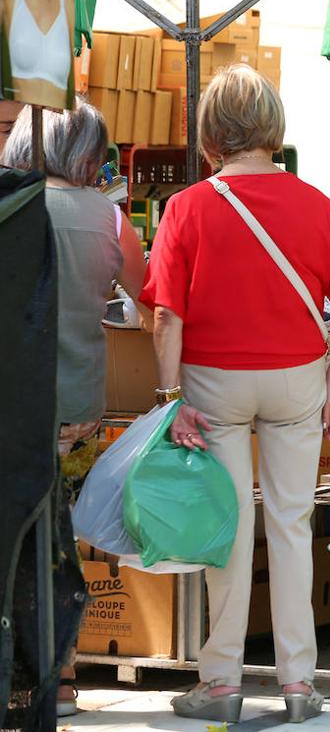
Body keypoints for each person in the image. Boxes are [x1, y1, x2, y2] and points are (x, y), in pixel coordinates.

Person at [138, 65, 330, 724]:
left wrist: (167, 394)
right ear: (273, 131)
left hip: (213, 383)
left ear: (211, 135)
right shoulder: (315, 203)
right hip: (297, 379)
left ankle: (221, 683)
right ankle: (300, 684)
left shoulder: (186, 207)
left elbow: (165, 317)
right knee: (292, 527)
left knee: (229, 529)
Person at [2, 98, 146, 717]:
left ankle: (17, 672)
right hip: (79, 409)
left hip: (12, 404)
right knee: (58, 541)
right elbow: (152, 306)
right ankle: (59, 675)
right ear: (88, 152)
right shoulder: (112, 221)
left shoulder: (11, 208)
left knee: (14, 537)